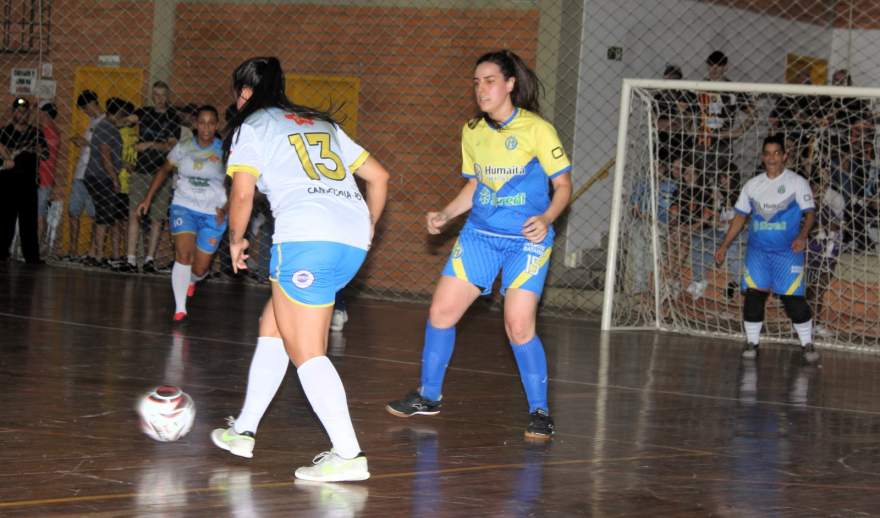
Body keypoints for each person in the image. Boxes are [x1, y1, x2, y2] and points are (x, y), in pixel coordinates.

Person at [211, 57, 389, 482]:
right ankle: (245, 429)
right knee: (273, 323)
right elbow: (380, 177)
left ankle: (348, 454)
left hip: (305, 239)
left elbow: (241, 193)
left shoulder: (253, 126)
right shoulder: (317, 122)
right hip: (349, 240)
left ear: (246, 93)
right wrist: (367, 227)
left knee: (307, 351)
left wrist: (236, 240)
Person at [385, 49, 572, 440]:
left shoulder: (537, 129)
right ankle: (428, 396)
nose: (481, 89)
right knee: (441, 312)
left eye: (489, 80)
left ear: (509, 84)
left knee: (518, 326)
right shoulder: (473, 131)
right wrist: (446, 214)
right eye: (476, 82)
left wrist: (547, 218)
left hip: (526, 241)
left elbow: (563, 186)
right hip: (479, 236)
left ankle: (540, 411)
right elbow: (475, 185)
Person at [715, 134, 819, 363]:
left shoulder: (796, 182)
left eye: (776, 153)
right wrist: (724, 245)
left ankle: (807, 344)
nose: (772, 158)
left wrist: (803, 236)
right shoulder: (752, 185)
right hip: (758, 253)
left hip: (787, 252)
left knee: (793, 301)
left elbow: (810, 214)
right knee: (753, 297)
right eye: (767, 153)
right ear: (763, 157)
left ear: (785, 156)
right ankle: (752, 342)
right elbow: (740, 218)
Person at [136, 105, 227, 321]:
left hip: (212, 212)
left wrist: (226, 208)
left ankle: (193, 281)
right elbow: (164, 170)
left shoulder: (225, 151)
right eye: (201, 122)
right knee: (183, 255)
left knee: (201, 267)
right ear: (195, 124)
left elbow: (236, 183)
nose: (206, 127)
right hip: (183, 206)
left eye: (210, 123)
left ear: (216, 125)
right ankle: (180, 309)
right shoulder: (183, 147)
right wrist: (147, 199)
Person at [121, 81, 180, 273]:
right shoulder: (144, 112)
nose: (159, 98)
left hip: (160, 173)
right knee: (134, 213)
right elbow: (126, 119)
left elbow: (171, 146)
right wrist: (126, 119)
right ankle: (130, 259)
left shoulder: (172, 117)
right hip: (140, 170)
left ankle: (149, 259)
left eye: (162, 94)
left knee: (157, 217)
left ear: (167, 96)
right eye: (155, 94)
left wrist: (149, 145)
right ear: (151, 95)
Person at [82, 97, 130, 266]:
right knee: (104, 216)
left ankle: (93, 253)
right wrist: (114, 178)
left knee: (103, 215)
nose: (126, 121)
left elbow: (109, 155)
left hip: (99, 175)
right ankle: (98, 256)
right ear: (117, 114)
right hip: (101, 176)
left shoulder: (106, 127)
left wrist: (123, 165)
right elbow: (104, 155)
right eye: (125, 116)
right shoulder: (107, 127)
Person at [0, 97, 47, 264]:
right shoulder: (4, 132)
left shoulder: (36, 132)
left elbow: (45, 154)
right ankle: (2, 252)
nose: (22, 114)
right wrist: (14, 152)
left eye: (25, 111)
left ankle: (31, 256)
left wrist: (35, 149)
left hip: (28, 184)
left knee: (29, 221)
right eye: (19, 111)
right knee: (5, 219)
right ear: (13, 112)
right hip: (7, 183)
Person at [64, 90, 102, 262]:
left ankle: (91, 251)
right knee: (73, 211)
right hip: (81, 174)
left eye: (86, 108)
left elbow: (108, 149)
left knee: (95, 215)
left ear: (93, 103)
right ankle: (72, 251)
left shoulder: (106, 122)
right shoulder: (92, 122)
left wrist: (85, 143)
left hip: (95, 175)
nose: (85, 112)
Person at [37, 102, 60, 252]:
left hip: (42, 176)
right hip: (47, 176)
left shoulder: (44, 131)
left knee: (39, 214)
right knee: (41, 213)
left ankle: (37, 245)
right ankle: (39, 245)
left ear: (44, 114)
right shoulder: (55, 131)